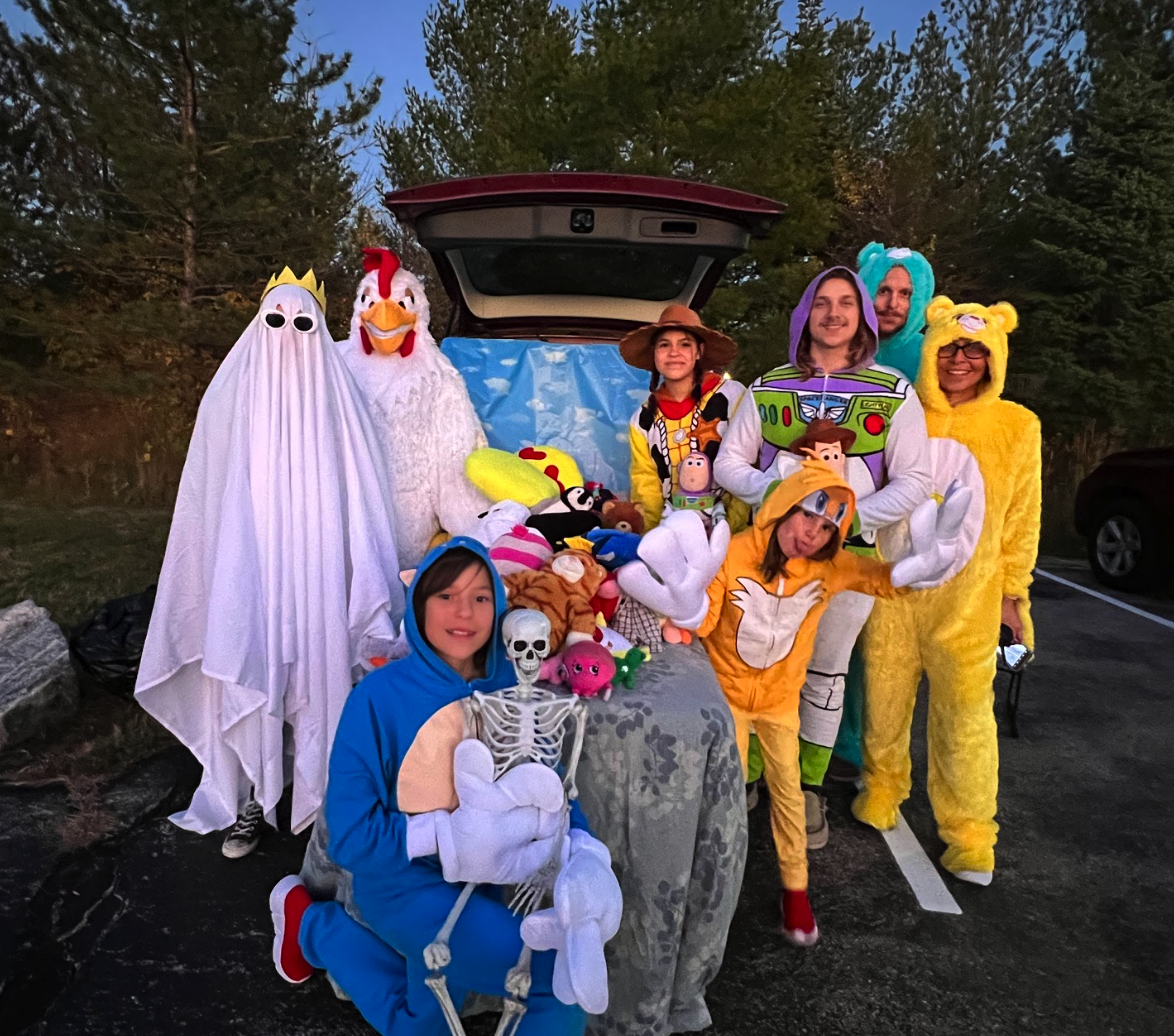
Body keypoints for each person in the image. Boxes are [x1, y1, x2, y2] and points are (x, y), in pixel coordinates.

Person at [268, 538, 621, 1035]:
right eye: (445, 596)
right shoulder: (376, 698)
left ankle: (311, 927)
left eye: (480, 597)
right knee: (553, 983)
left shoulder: (514, 694)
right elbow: (347, 834)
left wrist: (585, 851)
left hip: (487, 886)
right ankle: (315, 926)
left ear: (499, 607)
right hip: (404, 885)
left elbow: (552, 788)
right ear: (418, 605)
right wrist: (445, 837)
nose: (464, 612)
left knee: (420, 1026)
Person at [616, 462, 968, 945]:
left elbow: (883, 580)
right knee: (723, 800)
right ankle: (711, 896)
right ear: (782, 507)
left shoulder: (830, 566)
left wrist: (922, 568)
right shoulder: (733, 554)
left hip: (782, 704)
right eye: (807, 516)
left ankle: (796, 891)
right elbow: (705, 616)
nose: (811, 534)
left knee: (789, 797)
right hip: (728, 700)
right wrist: (686, 614)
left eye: (826, 528)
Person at [135, 269, 403, 859]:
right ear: (257, 326)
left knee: (318, 669)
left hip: (318, 569)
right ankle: (253, 791)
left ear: (319, 328)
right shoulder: (228, 398)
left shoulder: (340, 401)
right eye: (274, 321)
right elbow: (205, 500)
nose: (286, 334)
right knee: (252, 666)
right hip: (251, 568)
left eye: (302, 322)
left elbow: (362, 494)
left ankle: (325, 797)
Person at [713, 267, 931, 848]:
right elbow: (728, 465)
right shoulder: (768, 387)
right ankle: (750, 774)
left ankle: (807, 786)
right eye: (822, 304)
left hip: (846, 559)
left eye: (846, 304)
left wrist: (853, 517)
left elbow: (915, 479)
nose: (833, 315)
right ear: (805, 313)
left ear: (861, 315)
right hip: (769, 559)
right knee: (755, 665)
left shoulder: (892, 392)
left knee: (824, 670)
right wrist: (782, 498)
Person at [854, 298, 1041, 886]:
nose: (961, 360)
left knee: (965, 717)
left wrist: (1014, 595)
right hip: (893, 585)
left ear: (994, 358)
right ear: (931, 350)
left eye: (976, 351)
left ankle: (969, 833)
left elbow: (1021, 518)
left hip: (969, 598)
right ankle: (881, 786)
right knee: (884, 697)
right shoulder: (901, 411)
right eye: (950, 348)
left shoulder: (1017, 426)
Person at [622, 304, 749, 533]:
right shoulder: (642, 420)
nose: (673, 353)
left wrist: (731, 532)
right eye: (664, 345)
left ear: (699, 351)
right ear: (654, 354)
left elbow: (748, 463)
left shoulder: (732, 397)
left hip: (730, 535)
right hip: (671, 534)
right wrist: (651, 540)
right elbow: (646, 485)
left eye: (684, 344)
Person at [856, 242, 936, 383]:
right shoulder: (836, 347)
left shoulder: (929, 356)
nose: (892, 304)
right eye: (884, 291)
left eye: (905, 293)